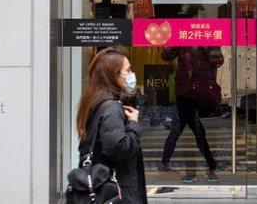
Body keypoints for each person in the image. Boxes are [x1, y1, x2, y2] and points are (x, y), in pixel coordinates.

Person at [75, 48, 146, 203]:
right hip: (116, 192)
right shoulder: (111, 108)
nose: (131, 74)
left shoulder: (95, 103)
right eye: (127, 70)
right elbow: (118, 148)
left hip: (103, 188)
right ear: (113, 76)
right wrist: (133, 124)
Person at [159, 46, 222, 182]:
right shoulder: (181, 40)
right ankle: (209, 165)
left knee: (182, 126)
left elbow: (218, 60)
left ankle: (166, 162)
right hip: (185, 90)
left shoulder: (206, 38)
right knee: (192, 127)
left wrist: (207, 47)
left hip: (201, 89)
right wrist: (174, 42)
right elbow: (166, 56)